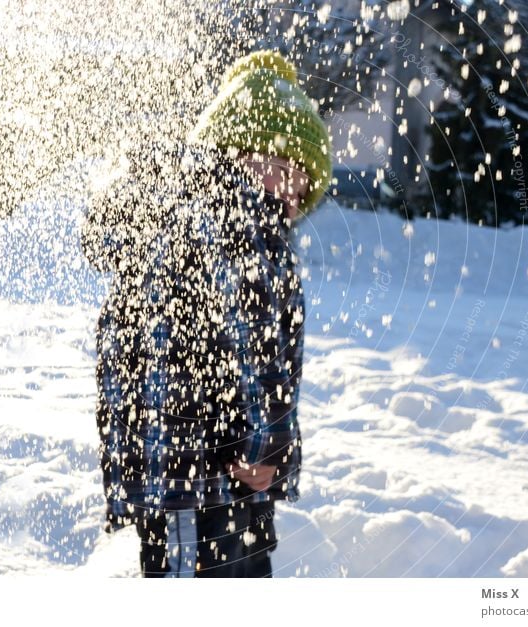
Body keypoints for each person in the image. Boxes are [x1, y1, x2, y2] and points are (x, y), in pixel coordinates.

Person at [81, 50, 331, 577]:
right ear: (240, 154)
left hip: (183, 472)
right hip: (208, 477)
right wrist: (260, 445)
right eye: (285, 169)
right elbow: (247, 349)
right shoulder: (239, 222)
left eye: (304, 183)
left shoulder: (178, 214)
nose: (294, 194)